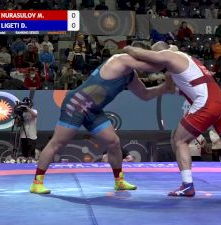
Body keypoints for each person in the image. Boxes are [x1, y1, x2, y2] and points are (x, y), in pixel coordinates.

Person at [124, 42, 221, 197]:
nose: (156, 61)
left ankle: (187, 185)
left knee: (179, 140)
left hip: (208, 103)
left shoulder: (169, 55)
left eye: (156, 56)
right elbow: (182, 84)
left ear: (160, 53)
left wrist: (128, 49)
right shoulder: (188, 59)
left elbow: (143, 55)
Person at [30, 42, 173, 194]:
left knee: (114, 142)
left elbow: (145, 95)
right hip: (76, 104)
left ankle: (119, 181)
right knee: (57, 143)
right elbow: (156, 66)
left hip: (94, 110)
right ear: (137, 54)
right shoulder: (120, 59)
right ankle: (36, 183)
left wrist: (164, 88)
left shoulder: (131, 76)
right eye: (145, 56)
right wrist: (172, 51)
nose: (148, 59)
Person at [15, 98, 38, 163]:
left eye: (27, 104)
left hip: (32, 135)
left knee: (31, 155)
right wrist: (18, 114)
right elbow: (17, 125)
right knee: (24, 154)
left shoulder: (34, 111)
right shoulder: (22, 113)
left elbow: (35, 115)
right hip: (23, 135)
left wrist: (27, 108)